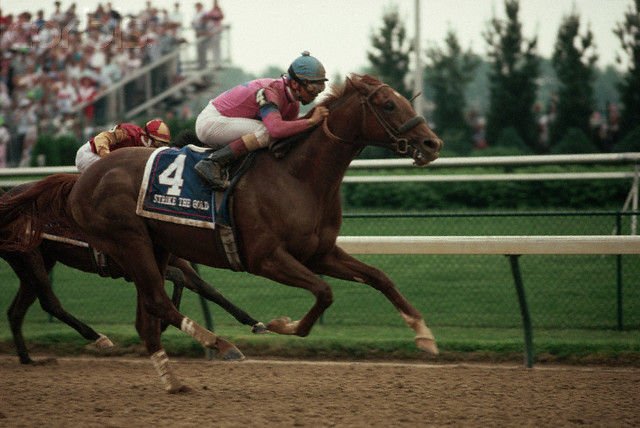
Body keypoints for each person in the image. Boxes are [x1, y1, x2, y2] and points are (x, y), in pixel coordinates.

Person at [194, 51, 329, 189]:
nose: (315, 94)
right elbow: (275, 130)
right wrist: (311, 122)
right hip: (210, 123)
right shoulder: (270, 92)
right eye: (313, 89)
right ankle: (212, 163)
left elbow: (287, 135)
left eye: (320, 89)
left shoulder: (293, 104)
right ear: (295, 84)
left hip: (225, 122)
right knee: (266, 131)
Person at [75, 118, 170, 172]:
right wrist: (109, 159)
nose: (158, 148)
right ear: (147, 137)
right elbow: (101, 139)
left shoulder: (146, 146)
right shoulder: (127, 132)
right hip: (90, 155)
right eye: (158, 144)